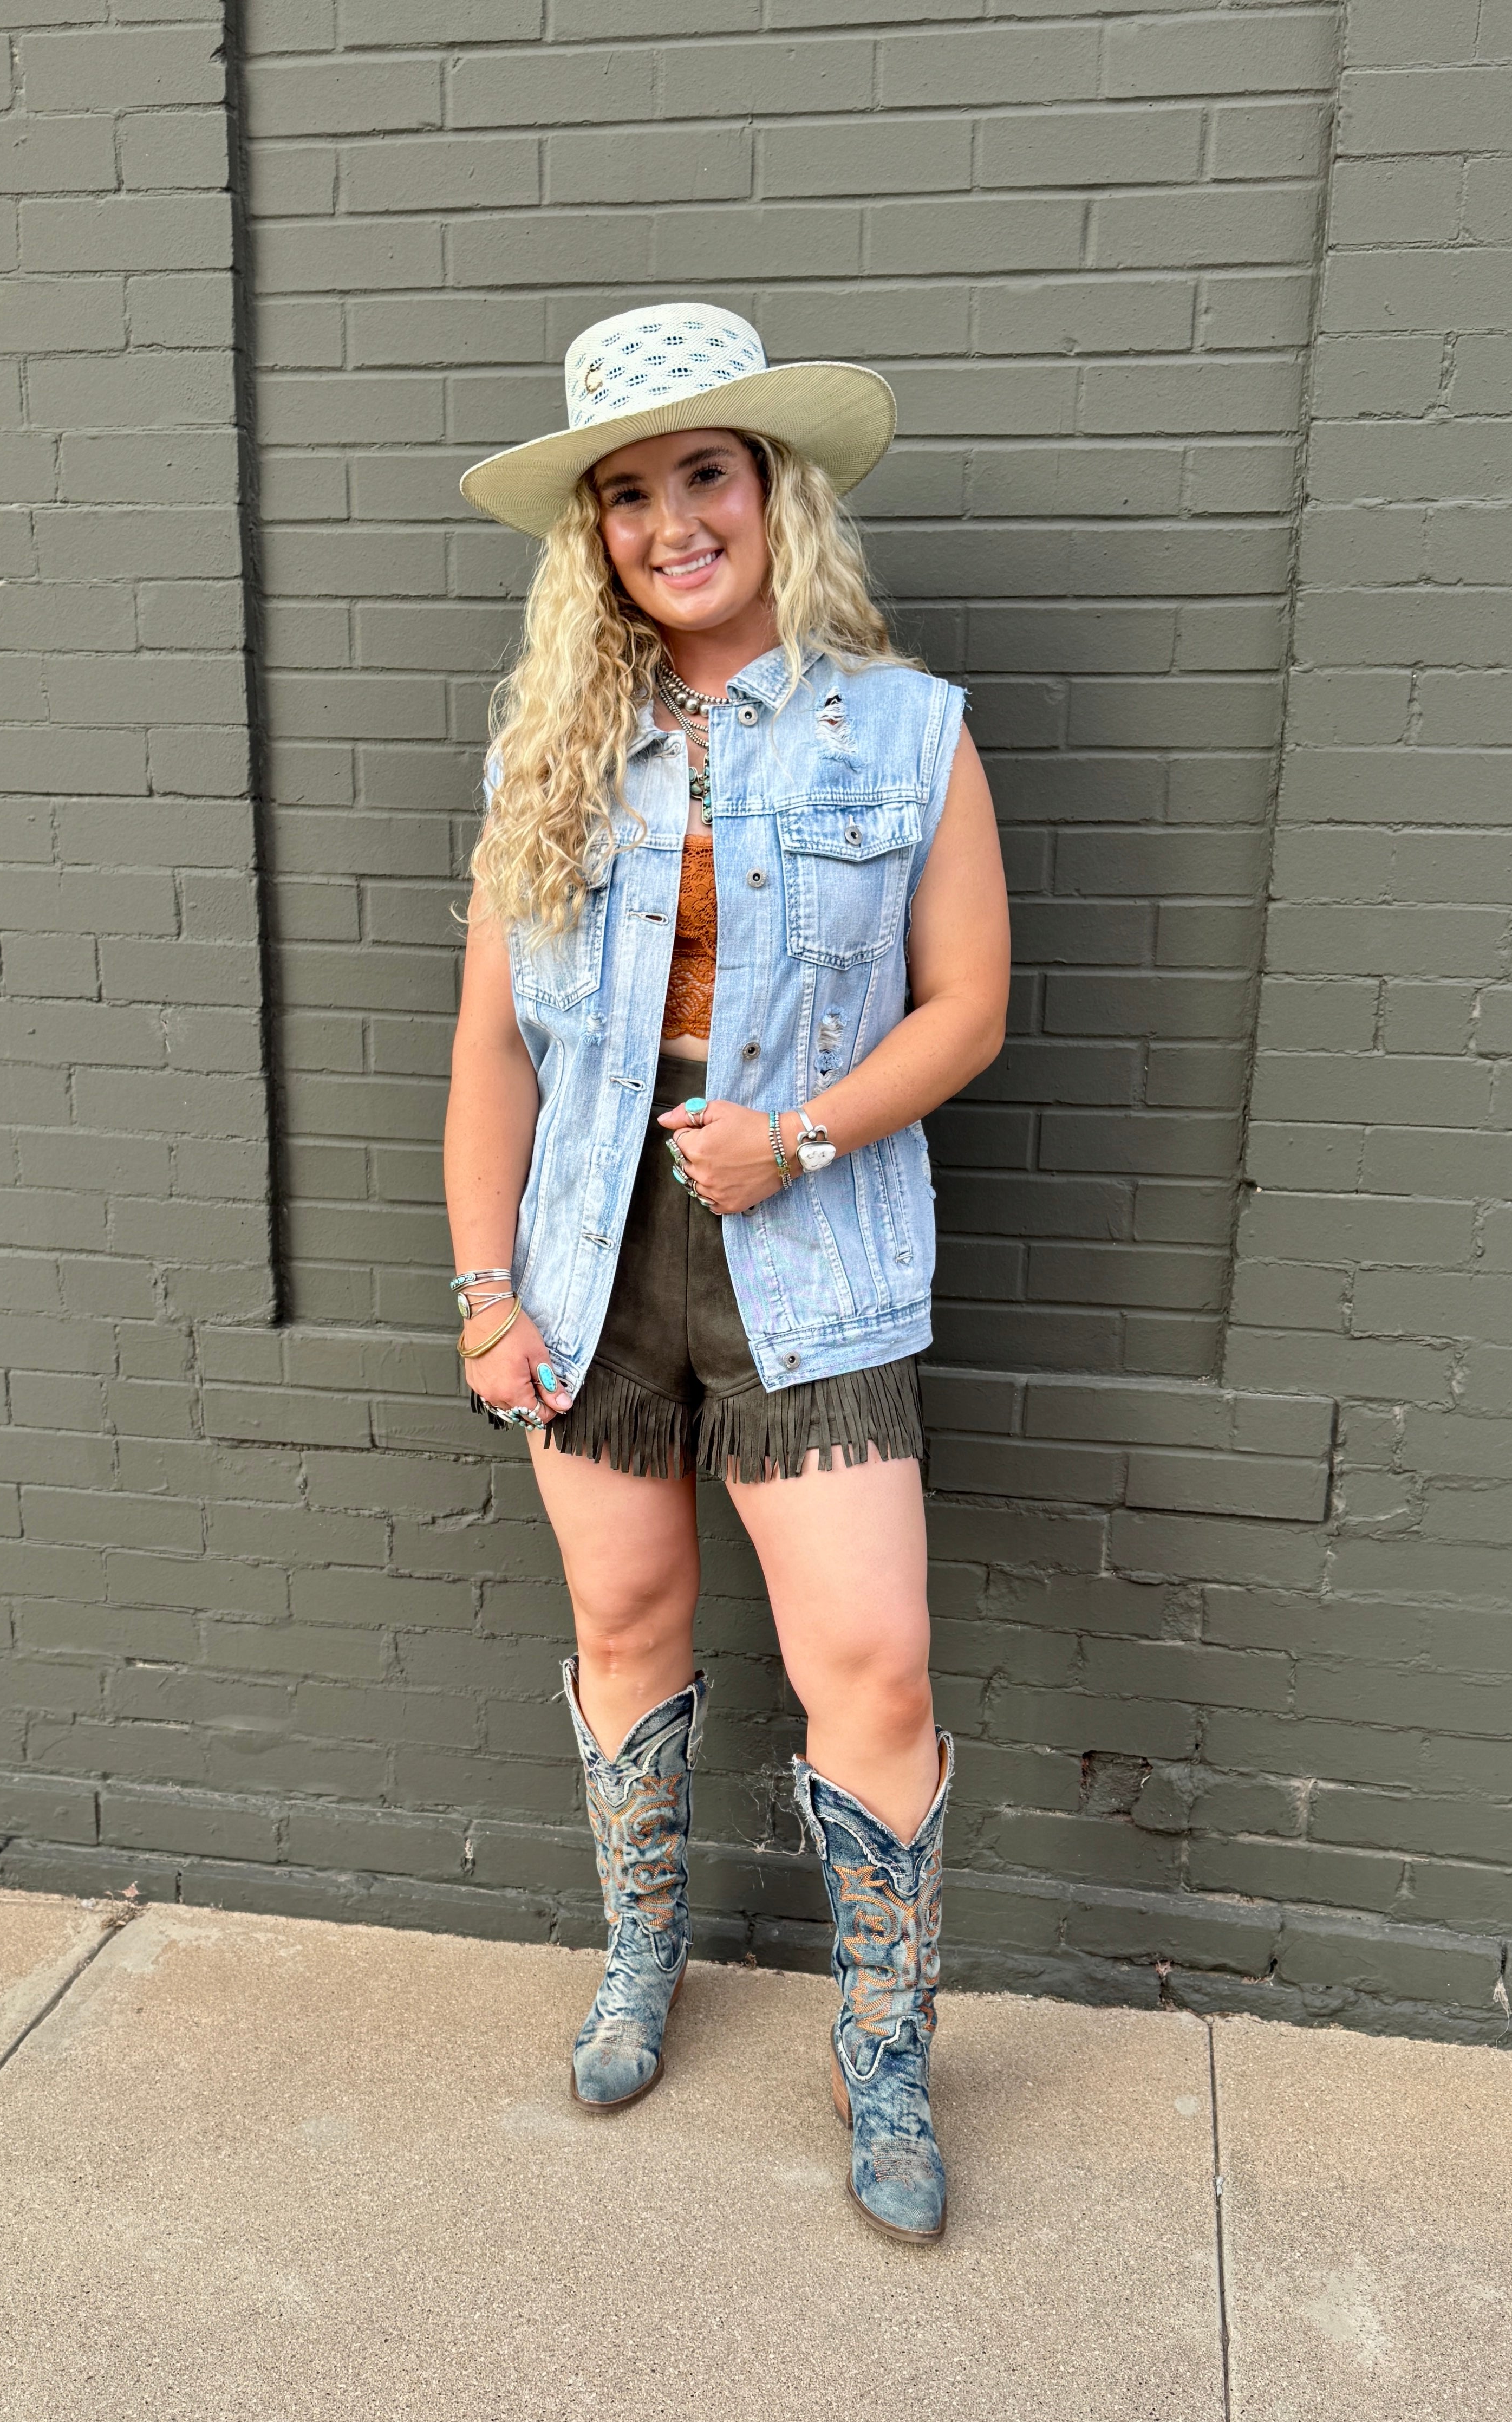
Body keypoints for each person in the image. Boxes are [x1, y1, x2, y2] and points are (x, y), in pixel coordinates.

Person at [447, 303, 1009, 2245]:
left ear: (774, 492)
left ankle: (884, 2047)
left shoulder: (908, 730)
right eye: (627, 493)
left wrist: (804, 1138)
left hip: (812, 1250)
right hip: (587, 1259)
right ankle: (641, 1955)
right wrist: (484, 1290)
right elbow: (493, 1052)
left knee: (872, 1660)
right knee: (624, 1626)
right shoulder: (547, 749)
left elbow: (966, 1006)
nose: (670, 521)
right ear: (593, 534)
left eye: (705, 475)